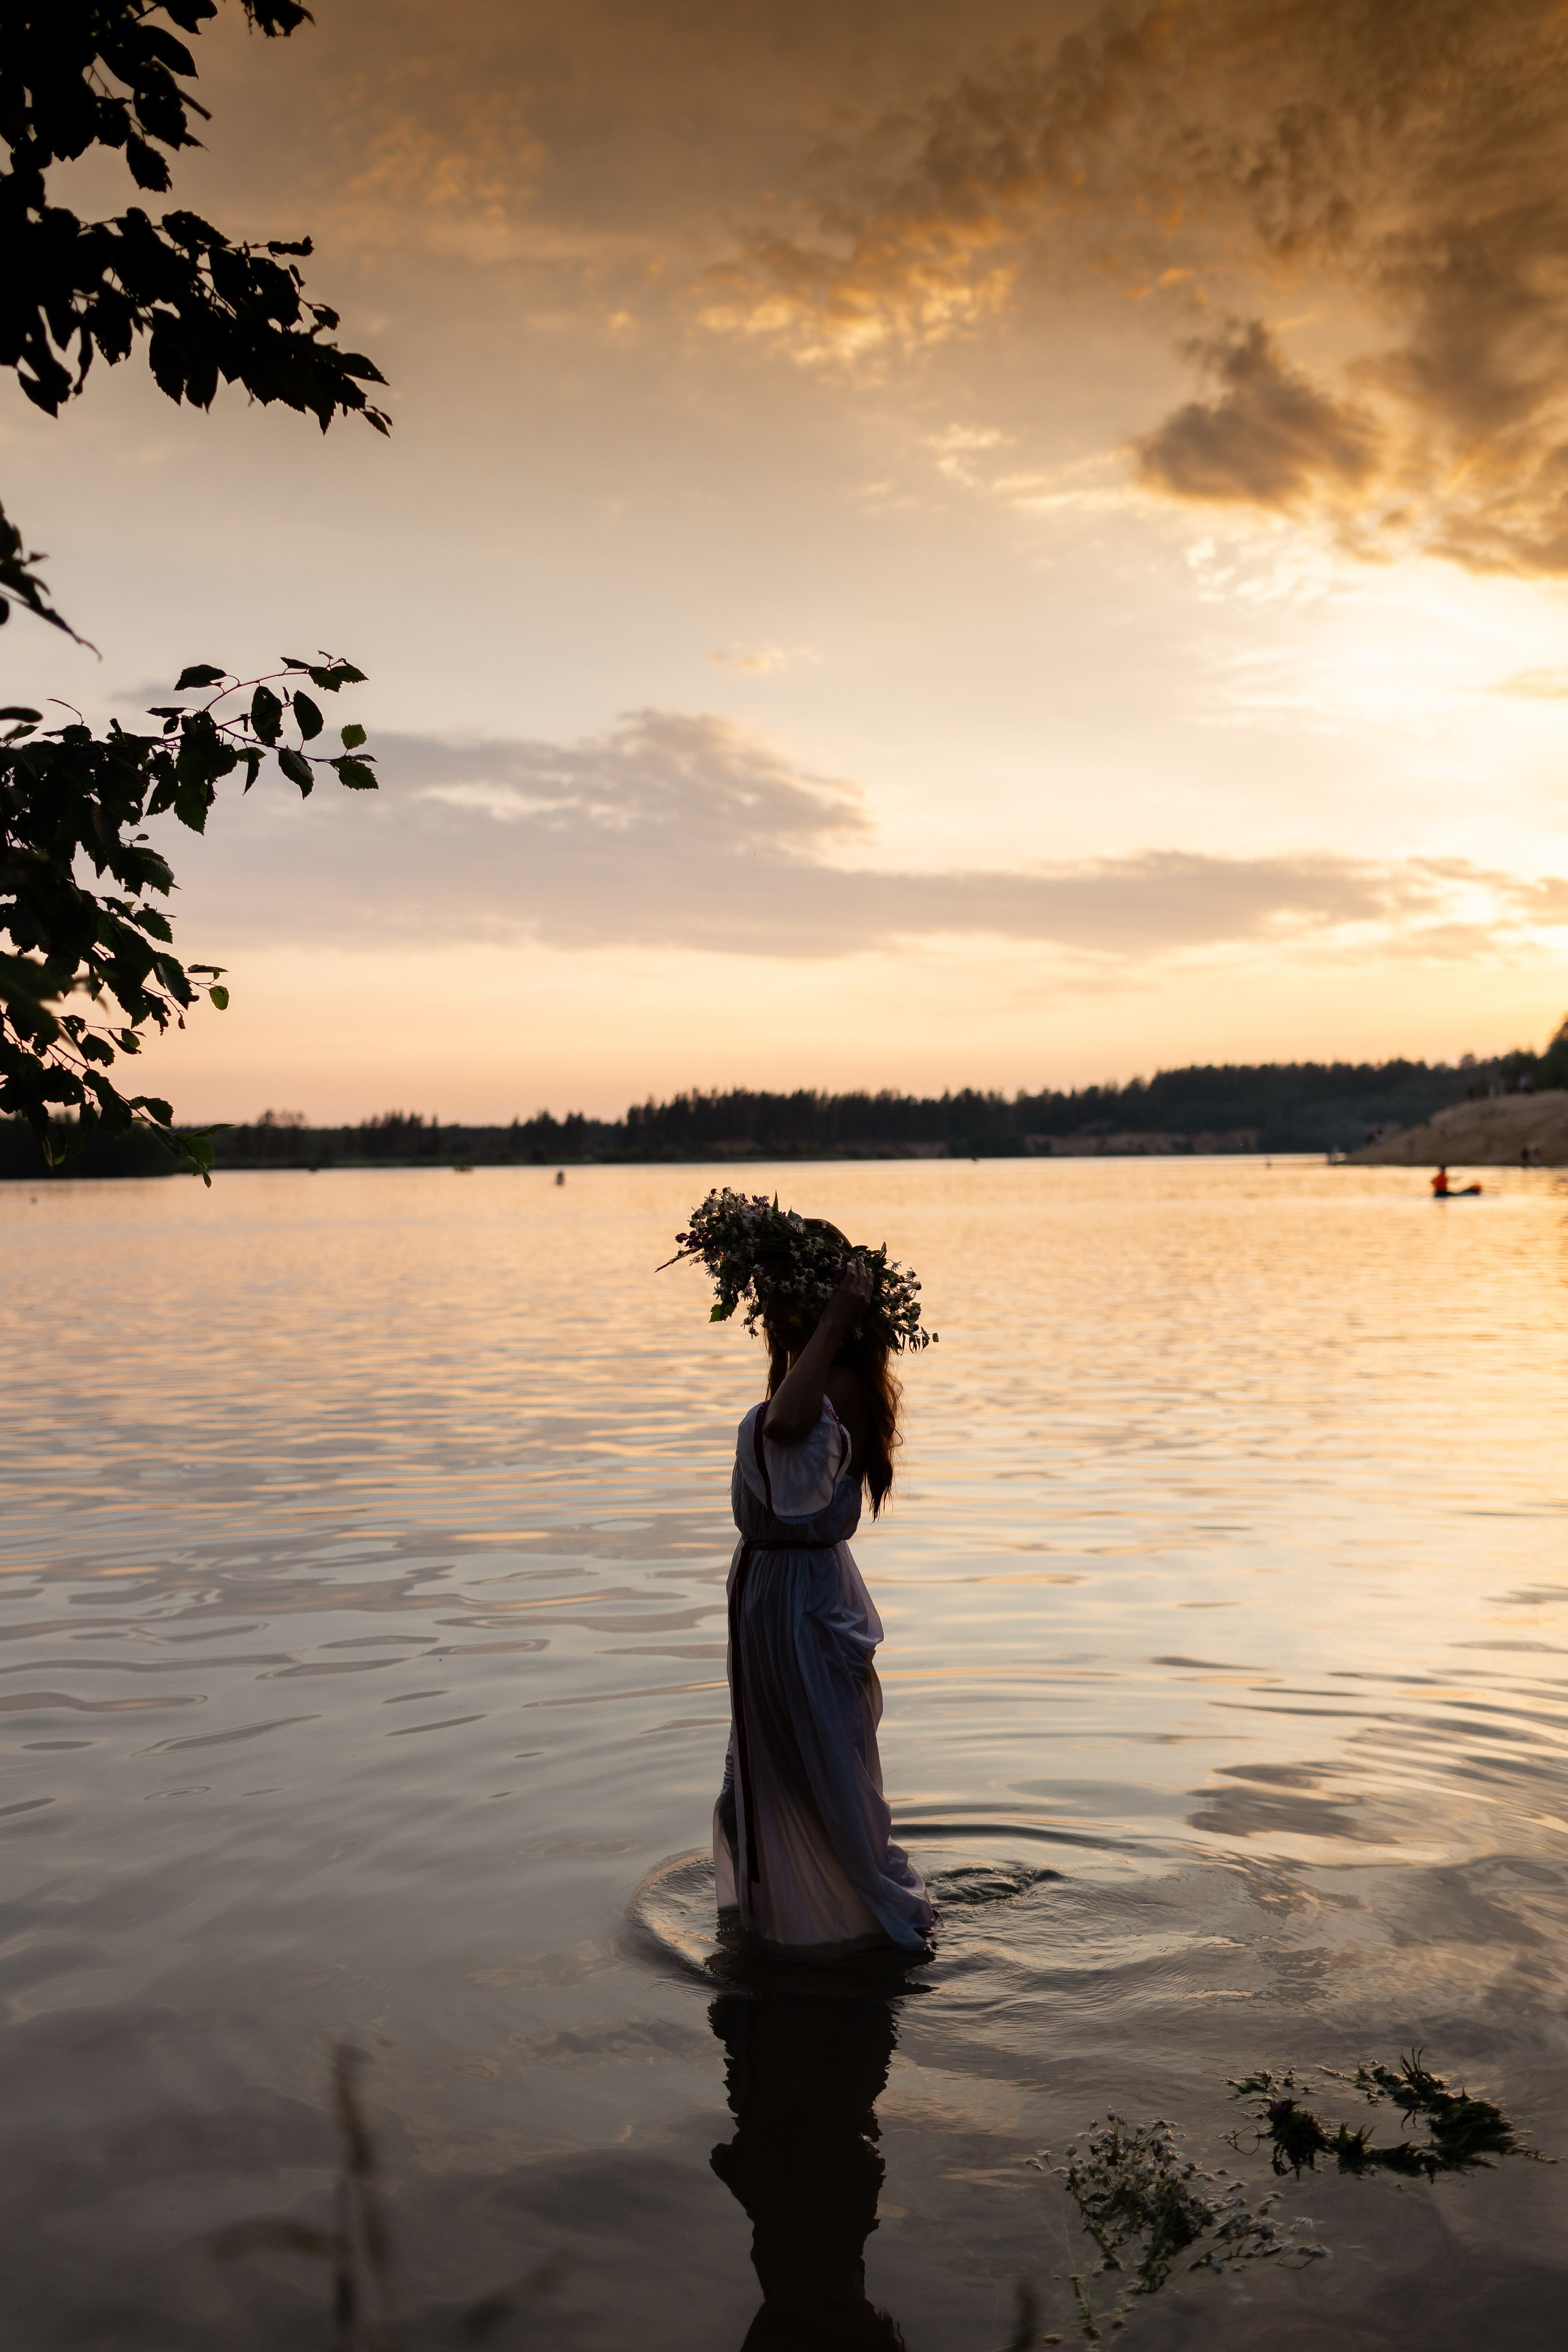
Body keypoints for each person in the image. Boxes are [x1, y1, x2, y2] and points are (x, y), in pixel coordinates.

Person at [663, 1191, 937, 1962]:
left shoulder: (838, 1381)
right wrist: (805, 1340)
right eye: (766, 1295)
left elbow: (784, 1428)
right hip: (767, 1598)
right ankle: (786, 1923)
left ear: (821, 1302)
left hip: (800, 1607)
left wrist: (834, 1322)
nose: (768, 1310)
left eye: (782, 1295)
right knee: (756, 1787)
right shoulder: (805, 1374)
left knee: (823, 1780)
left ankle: (870, 1929)